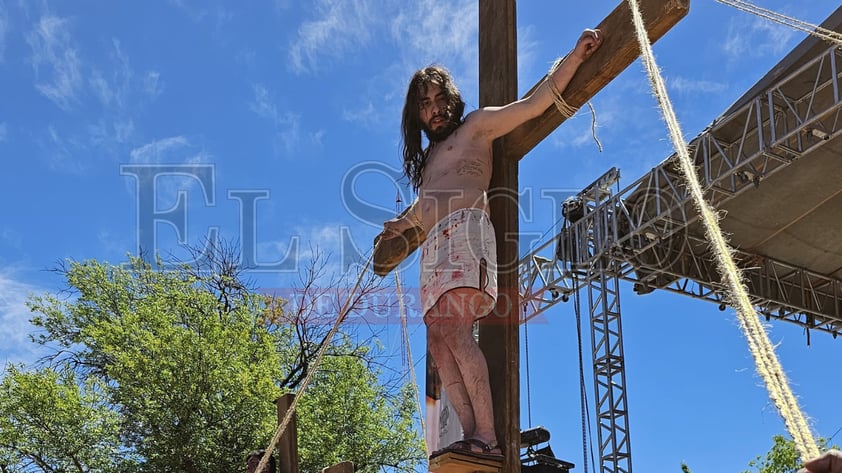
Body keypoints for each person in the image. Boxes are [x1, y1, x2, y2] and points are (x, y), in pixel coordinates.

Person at [380, 29, 603, 458]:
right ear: (417, 116)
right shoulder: (428, 161)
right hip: (433, 247)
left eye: (438, 98)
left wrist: (574, 57)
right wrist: (400, 225)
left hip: (467, 231)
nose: (434, 109)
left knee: (457, 330)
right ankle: (471, 436)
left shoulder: (477, 126)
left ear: (451, 97)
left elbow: (533, 105)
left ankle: (488, 435)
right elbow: (424, 208)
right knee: (438, 340)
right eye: (424, 104)